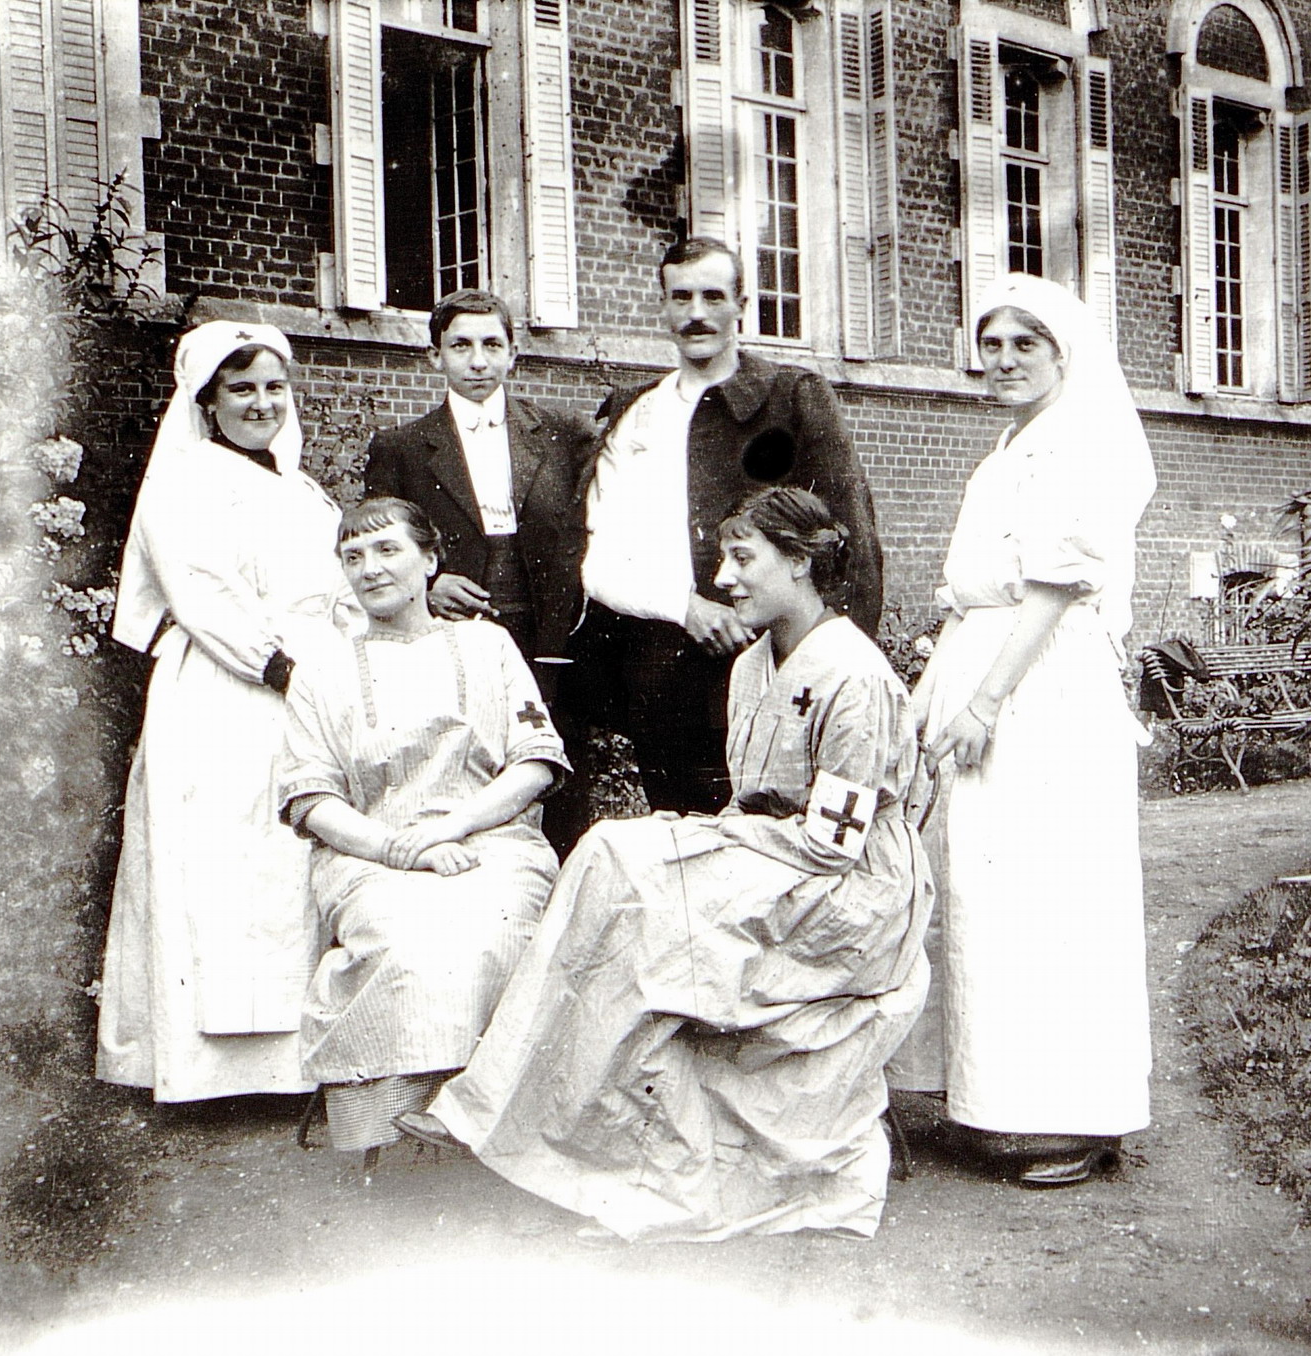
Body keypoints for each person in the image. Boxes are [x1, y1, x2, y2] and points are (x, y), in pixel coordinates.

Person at [401, 487, 931, 1243]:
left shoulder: (856, 676)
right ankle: (536, 1127)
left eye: (744, 559)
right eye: (724, 559)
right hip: (781, 870)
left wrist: (705, 838)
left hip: (851, 901)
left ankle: (545, 1131)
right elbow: (756, 809)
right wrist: (713, 837)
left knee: (629, 864)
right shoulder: (752, 666)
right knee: (617, 865)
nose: (724, 579)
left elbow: (833, 845)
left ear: (803, 563)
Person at [886, 273, 1157, 1187]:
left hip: (1043, 693)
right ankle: (993, 1101)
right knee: (984, 896)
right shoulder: (1008, 449)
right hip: (986, 664)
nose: (1002, 361)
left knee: (1052, 897)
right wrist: (928, 689)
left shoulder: (1076, 444)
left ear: (1060, 355)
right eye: (991, 344)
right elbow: (972, 595)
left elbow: (1051, 589)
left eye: (1023, 346)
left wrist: (988, 701)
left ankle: (1075, 1119)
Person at [97, 321, 351, 1102]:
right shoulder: (187, 479)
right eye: (241, 389)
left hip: (303, 689)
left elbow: (334, 592)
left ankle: (291, 1063)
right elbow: (201, 590)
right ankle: (205, 1070)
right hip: (224, 687)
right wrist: (280, 668)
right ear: (207, 402)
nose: (261, 403)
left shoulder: (302, 490)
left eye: (274, 387)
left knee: (288, 858)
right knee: (218, 862)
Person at [278, 497, 570, 1155]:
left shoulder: (487, 645)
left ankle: (498, 1125)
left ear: (431, 560)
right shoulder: (321, 671)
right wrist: (401, 849)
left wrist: (458, 824)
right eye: (353, 557)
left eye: (387, 551)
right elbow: (311, 800)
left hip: (491, 839)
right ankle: (393, 1122)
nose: (370, 569)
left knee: (496, 931)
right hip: (371, 852)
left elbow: (536, 763)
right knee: (405, 939)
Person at [566, 237, 884, 820]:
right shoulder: (633, 411)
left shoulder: (790, 397)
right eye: (680, 297)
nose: (696, 313)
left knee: (786, 833)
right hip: (661, 666)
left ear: (742, 303)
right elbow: (598, 551)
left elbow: (849, 540)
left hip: (776, 663)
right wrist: (683, 607)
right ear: (662, 305)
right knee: (688, 844)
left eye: (714, 296)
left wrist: (838, 663)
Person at [362, 290, 592, 853]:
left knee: (554, 766)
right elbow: (382, 542)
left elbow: (590, 533)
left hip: (549, 631)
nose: (478, 361)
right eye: (460, 346)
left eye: (492, 345)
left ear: (514, 354)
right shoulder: (403, 448)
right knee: (462, 763)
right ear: (434, 356)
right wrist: (430, 584)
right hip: (456, 629)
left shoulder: (565, 436)